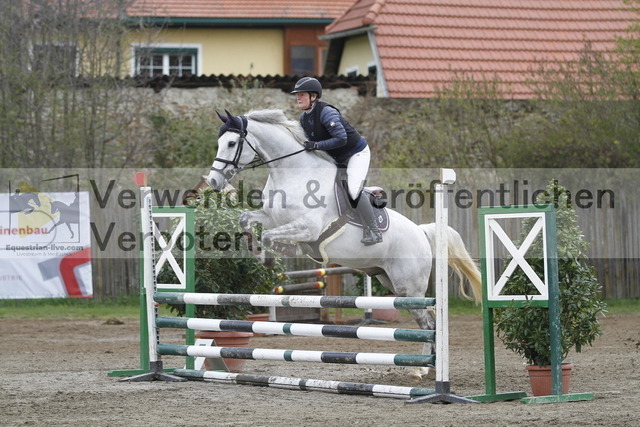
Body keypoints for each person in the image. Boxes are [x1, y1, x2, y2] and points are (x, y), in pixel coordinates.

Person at [291, 76, 382, 246]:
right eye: (297, 95)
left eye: (302, 95)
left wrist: (316, 145)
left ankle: (375, 231)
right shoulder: (304, 118)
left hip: (356, 154)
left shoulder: (327, 112)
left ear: (313, 96)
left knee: (353, 190)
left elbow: (341, 139)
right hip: (336, 158)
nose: (298, 98)